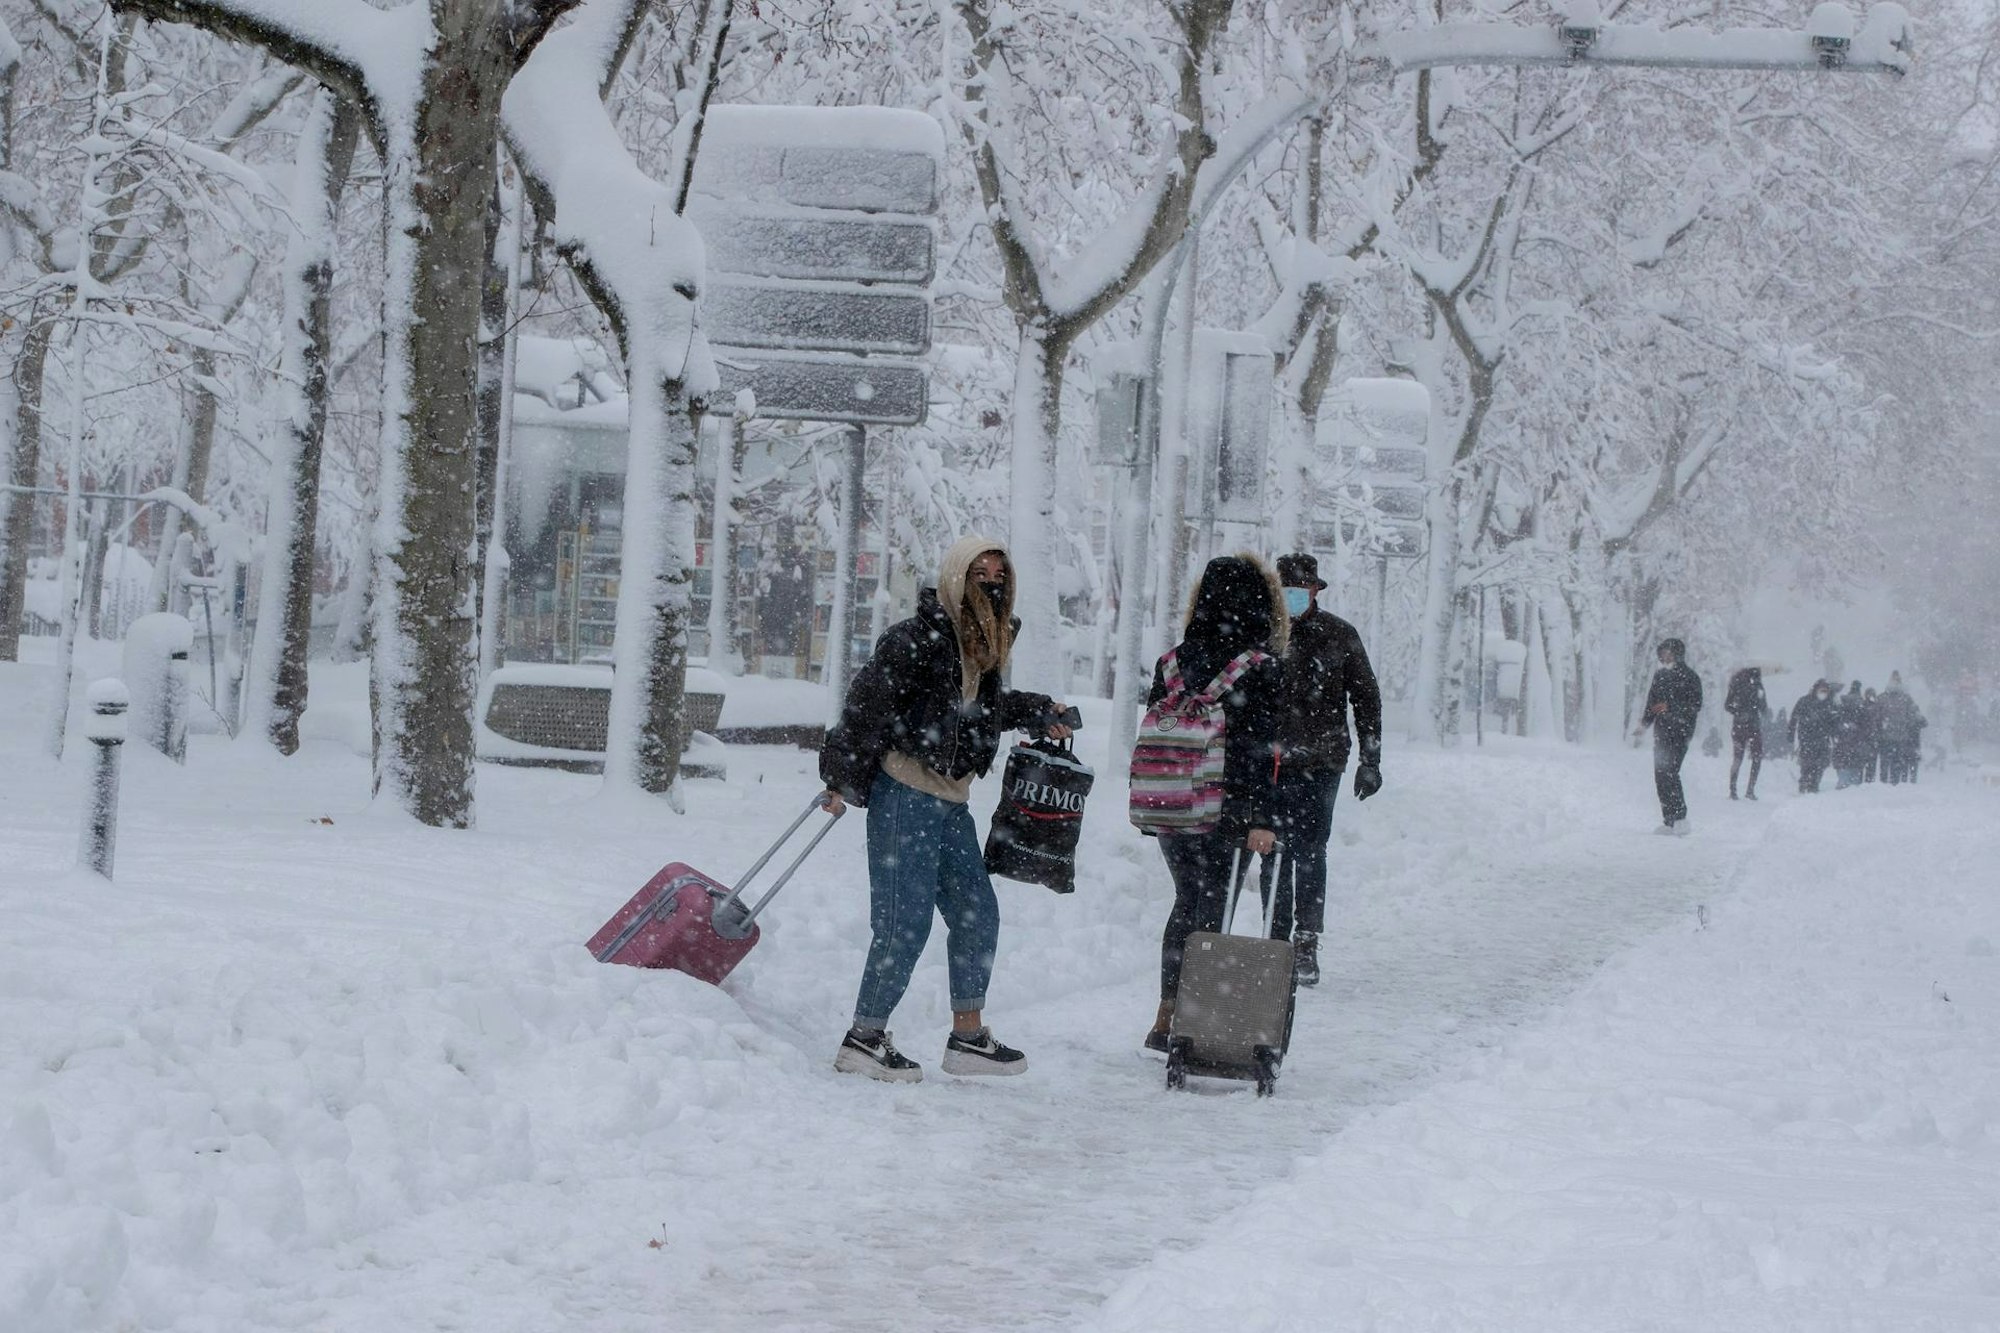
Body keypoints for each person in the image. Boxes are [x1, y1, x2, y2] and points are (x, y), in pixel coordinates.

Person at [818, 536, 1072, 1083]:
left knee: (977, 914)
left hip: (952, 801)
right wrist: (840, 776)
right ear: (956, 577)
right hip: (905, 794)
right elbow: (867, 704)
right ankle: (864, 1038)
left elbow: (981, 710)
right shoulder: (915, 639)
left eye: (999, 573)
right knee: (903, 923)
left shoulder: (986, 644)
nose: (991, 581)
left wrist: (1035, 711)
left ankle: (967, 1037)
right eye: (978, 572)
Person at [1143, 554, 1286, 1052]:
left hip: (1172, 801)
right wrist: (1261, 817)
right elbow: (1262, 749)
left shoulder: (1172, 662)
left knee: (1186, 900)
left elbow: (1157, 732)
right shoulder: (1260, 668)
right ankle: (1191, 1021)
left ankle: (1166, 1014)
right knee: (1212, 907)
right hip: (1226, 808)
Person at [1259, 553, 1383, 987]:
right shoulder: (1263, 633)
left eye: (1301, 589)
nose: (1294, 597)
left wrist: (1371, 760)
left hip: (1322, 760)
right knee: (1271, 849)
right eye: (1286, 589)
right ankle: (1275, 943)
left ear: (1315, 590)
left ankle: (1306, 940)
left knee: (1310, 849)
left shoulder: (1339, 635)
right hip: (1269, 761)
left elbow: (1366, 698)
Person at [1638, 637, 1703, 834]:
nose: (1663, 656)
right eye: (1662, 653)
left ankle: (1680, 818)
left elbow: (1695, 705)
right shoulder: (1659, 676)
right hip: (1662, 732)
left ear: (1677, 653)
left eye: (1667, 652)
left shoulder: (1691, 677)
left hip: (1681, 732)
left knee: (1671, 772)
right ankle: (1668, 820)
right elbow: (1652, 703)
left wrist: (1671, 707)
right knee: (1660, 774)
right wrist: (1644, 724)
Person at [1723, 666, 1768, 800]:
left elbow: (1727, 706)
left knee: (1738, 758)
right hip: (1752, 727)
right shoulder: (1756, 686)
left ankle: (1733, 790)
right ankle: (1749, 790)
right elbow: (1764, 709)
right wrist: (1758, 702)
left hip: (1740, 726)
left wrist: (1737, 711)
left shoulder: (1736, 684)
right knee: (1756, 758)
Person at [1789, 679, 1836, 793]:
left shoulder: (1830, 703)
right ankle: (1805, 782)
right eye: (1821, 690)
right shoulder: (1804, 701)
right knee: (1807, 762)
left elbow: (1834, 722)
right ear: (1815, 690)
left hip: (1822, 739)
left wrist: (1833, 736)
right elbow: (1794, 718)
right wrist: (1791, 734)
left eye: (1825, 691)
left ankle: (1814, 783)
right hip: (1807, 738)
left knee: (1821, 764)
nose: (1823, 693)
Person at [1877, 672, 1921, 785]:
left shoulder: (1882, 698)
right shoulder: (1906, 699)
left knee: (1887, 762)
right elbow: (1913, 717)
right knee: (1895, 762)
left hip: (1889, 736)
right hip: (1898, 736)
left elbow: (1876, 716)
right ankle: (1893, 783)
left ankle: (1886, 783)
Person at [1832, 681, 1870, 789]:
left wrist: (1841, 729)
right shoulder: (1862, 704)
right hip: (1856, 742)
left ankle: (1842, 783)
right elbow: (1866, 725)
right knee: (1856, 767)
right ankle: (1854, 788)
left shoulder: (1842, 702)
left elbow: (1836, 721)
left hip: (1843, 741)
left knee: (1843, 764)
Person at [1861, 687, 1882, 782]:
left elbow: (1879, 723)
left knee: (1868, 762)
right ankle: (1868, 781)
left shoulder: (1863, 706)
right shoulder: (1876, 707)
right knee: (1868, 762)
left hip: (1869, 739)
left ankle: (1867, 781)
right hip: (1869, 738)